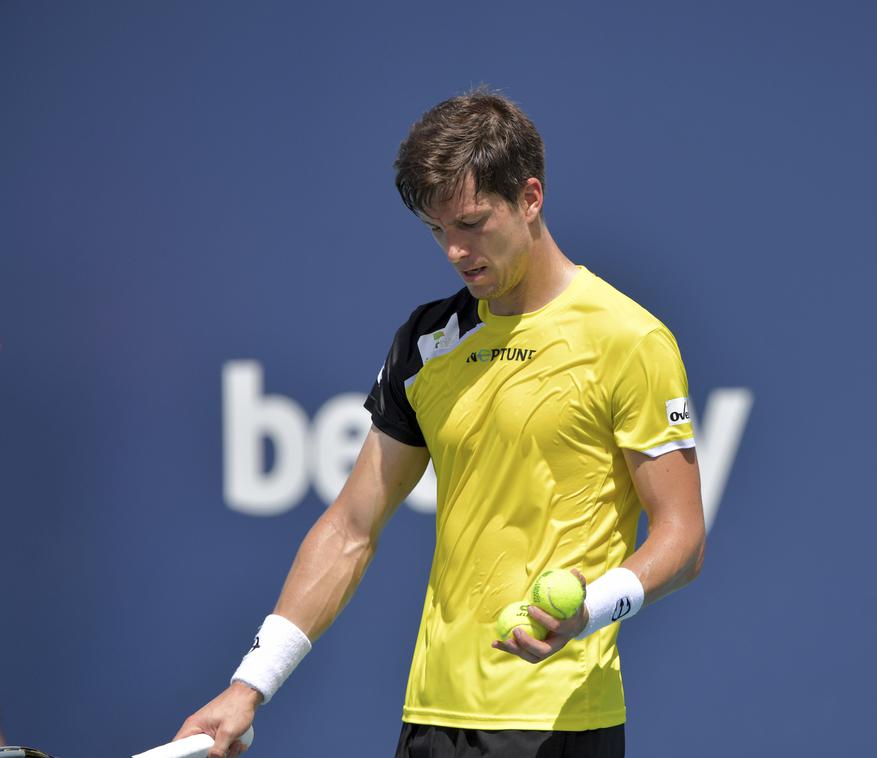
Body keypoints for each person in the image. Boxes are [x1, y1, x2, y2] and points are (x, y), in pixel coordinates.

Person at [174, 88, 705, 758]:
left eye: (473, 224)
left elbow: (683, 540)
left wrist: (586, 613)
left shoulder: (631, 339)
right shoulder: (428, 340)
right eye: (437, 231)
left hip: (558, 722)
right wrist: (247, 688)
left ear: (531, 198)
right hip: (431, 719)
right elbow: (349, 527)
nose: (455, 251)